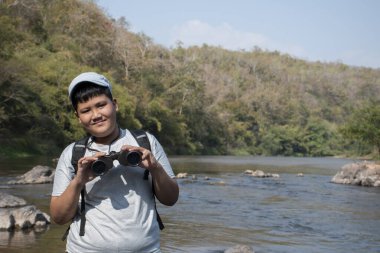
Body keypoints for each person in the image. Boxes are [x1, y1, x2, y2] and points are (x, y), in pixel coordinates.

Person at [50, 72, 179, 253]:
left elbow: (171, 199)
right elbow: (58, 217)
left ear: (115, 104)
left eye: (101, 105)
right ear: (78, 117)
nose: (96, 115)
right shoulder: (73, 153)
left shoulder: (145, 142)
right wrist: (78, 181)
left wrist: (155, 168)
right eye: (86, 110)